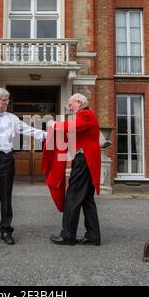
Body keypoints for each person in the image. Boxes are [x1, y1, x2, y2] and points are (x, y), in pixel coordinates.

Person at [0, 87, 47, 247]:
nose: (8, 101)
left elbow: (28, 130)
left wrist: (47, 133)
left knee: (6, 198)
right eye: (5, 99)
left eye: (8, 99)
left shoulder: (12, 118)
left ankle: (6, 231)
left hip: (6, 159)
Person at [43, 93, 102, 246]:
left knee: (72, 197)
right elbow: (72, 135)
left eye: (71, 104)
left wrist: (53, 124)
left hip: (84, 161)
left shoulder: (86, 115)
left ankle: (68, 236)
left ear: (79, 102)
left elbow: (70, 127)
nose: (69, 107)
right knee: (87, 200)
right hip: (86, 161)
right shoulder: (85, 116)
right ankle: (93, 235)